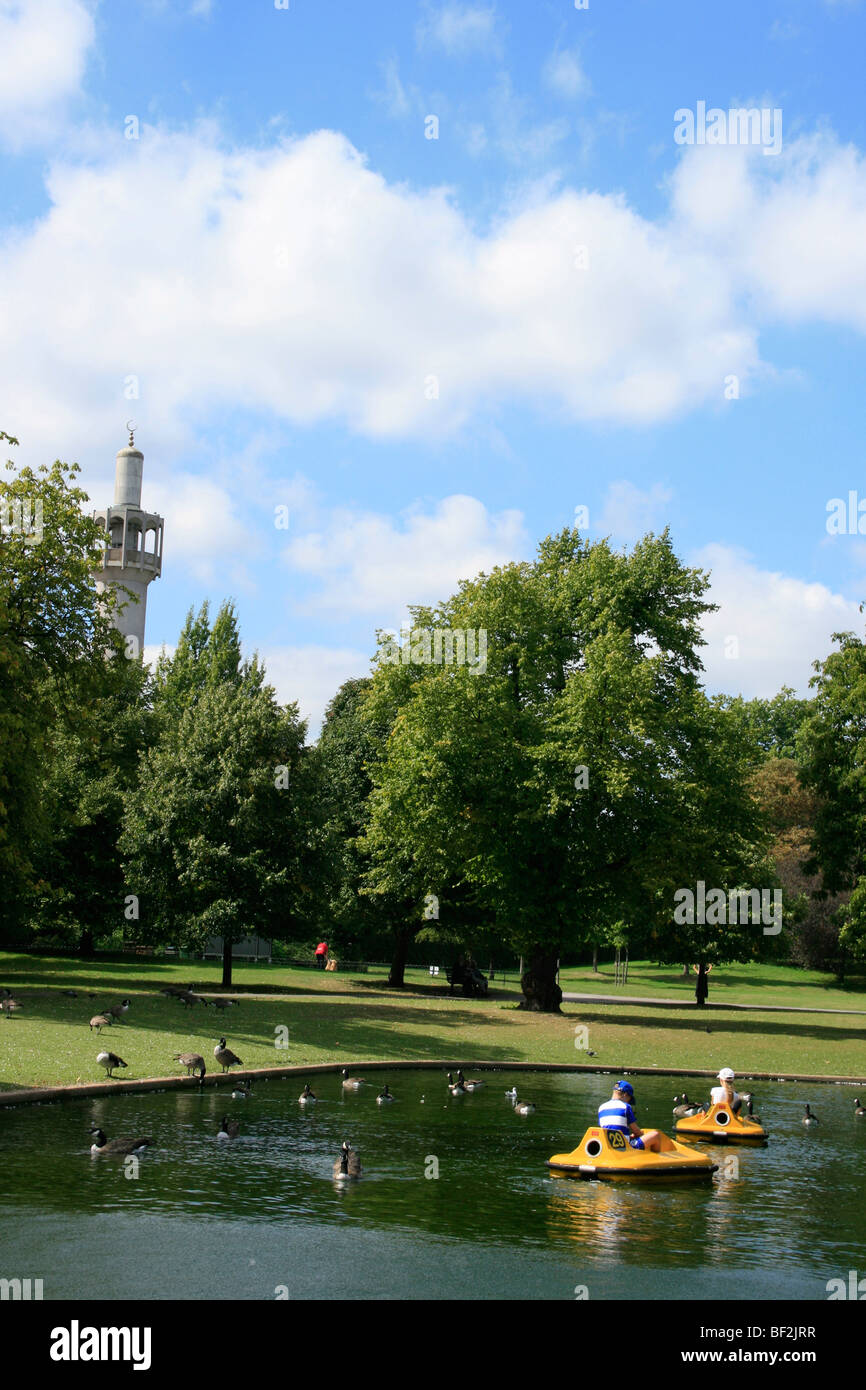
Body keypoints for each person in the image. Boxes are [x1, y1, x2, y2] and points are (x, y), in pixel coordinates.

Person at [598, 1080, 661, 1152]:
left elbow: (610, 1129)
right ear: (625, 1095)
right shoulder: (625, 1107)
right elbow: (636, 1131)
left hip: (608, 1146)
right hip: (624, 1148)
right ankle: (655, 1159)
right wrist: (641, 1134)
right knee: (655, 1135)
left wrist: (630, 1136)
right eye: (629, 1100)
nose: (629, 1102)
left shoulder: (601, 1108)